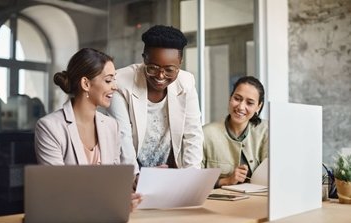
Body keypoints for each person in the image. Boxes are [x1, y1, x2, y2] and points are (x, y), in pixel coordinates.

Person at [34, 48, 141, 210]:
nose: (115, 87)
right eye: (108, 80)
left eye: (114, 80)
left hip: (107, 216)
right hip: (68, 218)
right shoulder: (50, 127)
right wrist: (112, 201)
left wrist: (133, 190)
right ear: (86, 83)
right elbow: (57, 191)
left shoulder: (111, 126)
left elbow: (114, 184)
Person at [106, 25, 203, 171]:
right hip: (133, 171)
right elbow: (122, 137)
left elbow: (193, 135)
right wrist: (135, 177)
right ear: (144, 58)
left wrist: (192, 177)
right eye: (153, 68)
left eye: (169, 70)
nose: (160, 76)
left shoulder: (186, 82)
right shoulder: (120, 83)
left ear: (180, 63)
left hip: (169, 172)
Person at [202, 76, 268, 187]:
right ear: (230, 98)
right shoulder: (206, 134)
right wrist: (226, 181)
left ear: (258, 107)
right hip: (218, 202)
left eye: (250, 103)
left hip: (259, 201)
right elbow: (192, 181)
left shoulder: (267, 131)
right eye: (237, 98)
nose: (241, 107)